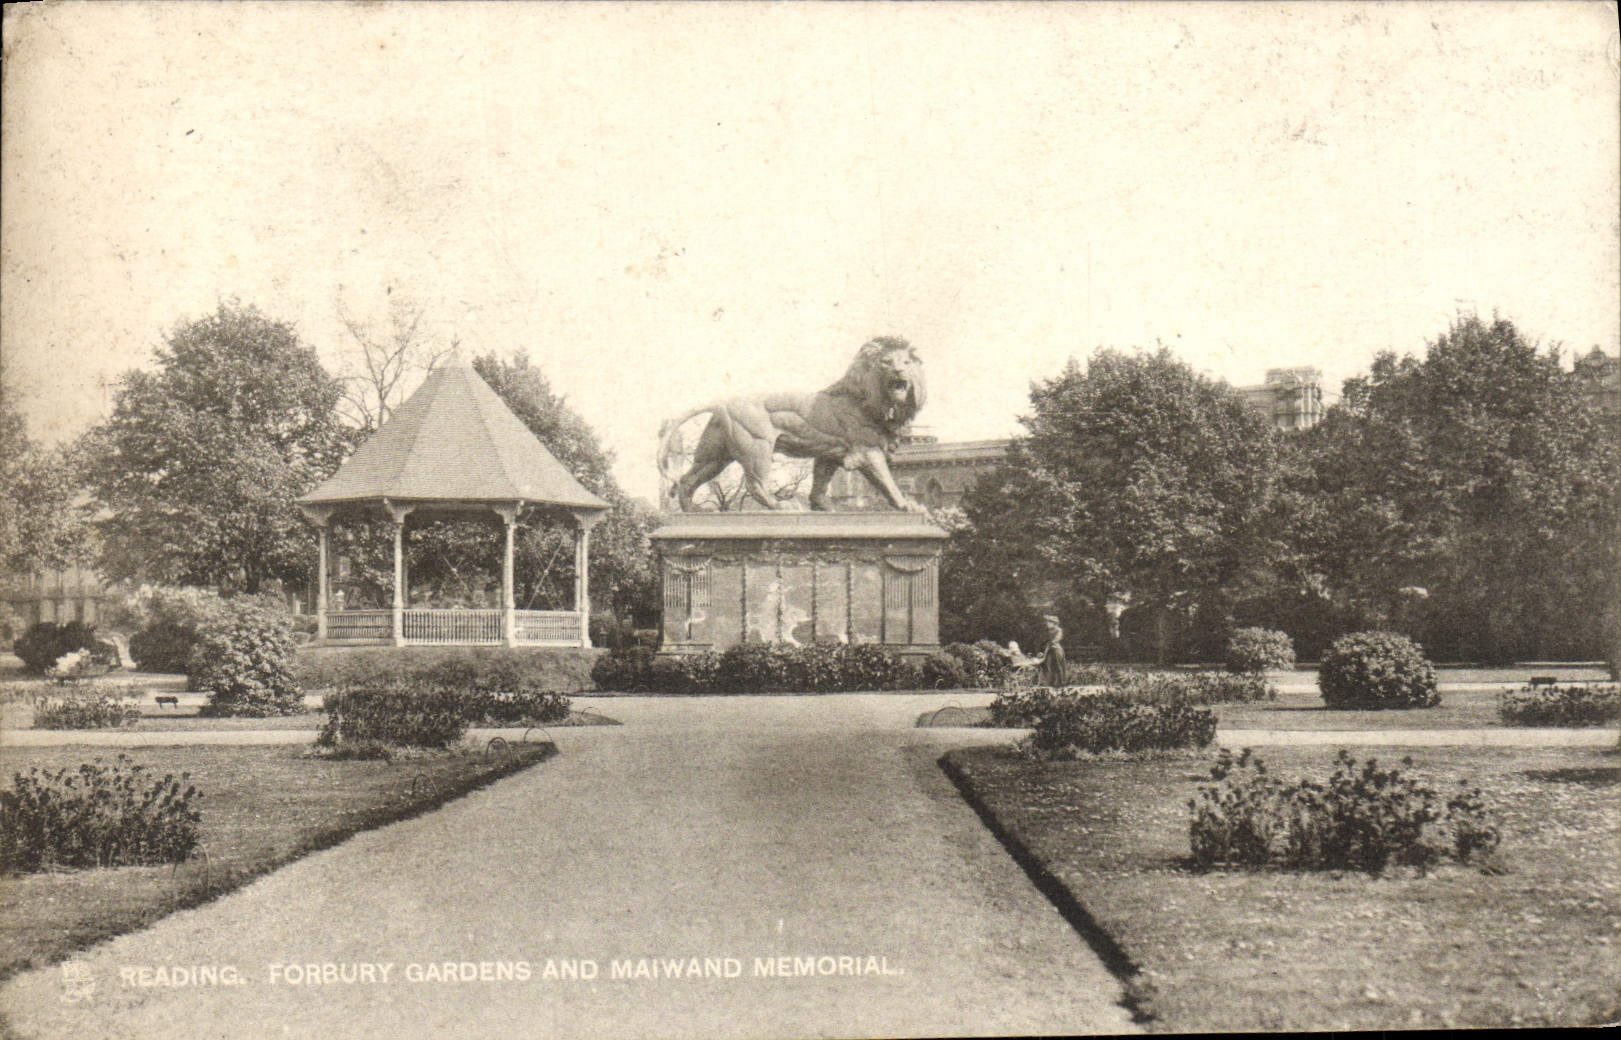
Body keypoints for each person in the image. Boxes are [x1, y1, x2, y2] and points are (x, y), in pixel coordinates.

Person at [1037, 615, 1067, 687]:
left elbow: (1057, 638)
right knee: (1046, 665)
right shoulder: (1046, 631)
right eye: (1047, 622)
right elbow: (1042, 641)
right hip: (1047, 650)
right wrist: (1041, 650)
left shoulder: (1058, 630)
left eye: (1049, 622)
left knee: (1057, 665)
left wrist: (1051, 643)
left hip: (1055, 648)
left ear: (1054, 623)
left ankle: (1061, 682)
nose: (1048, 624)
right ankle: (1047, 682)